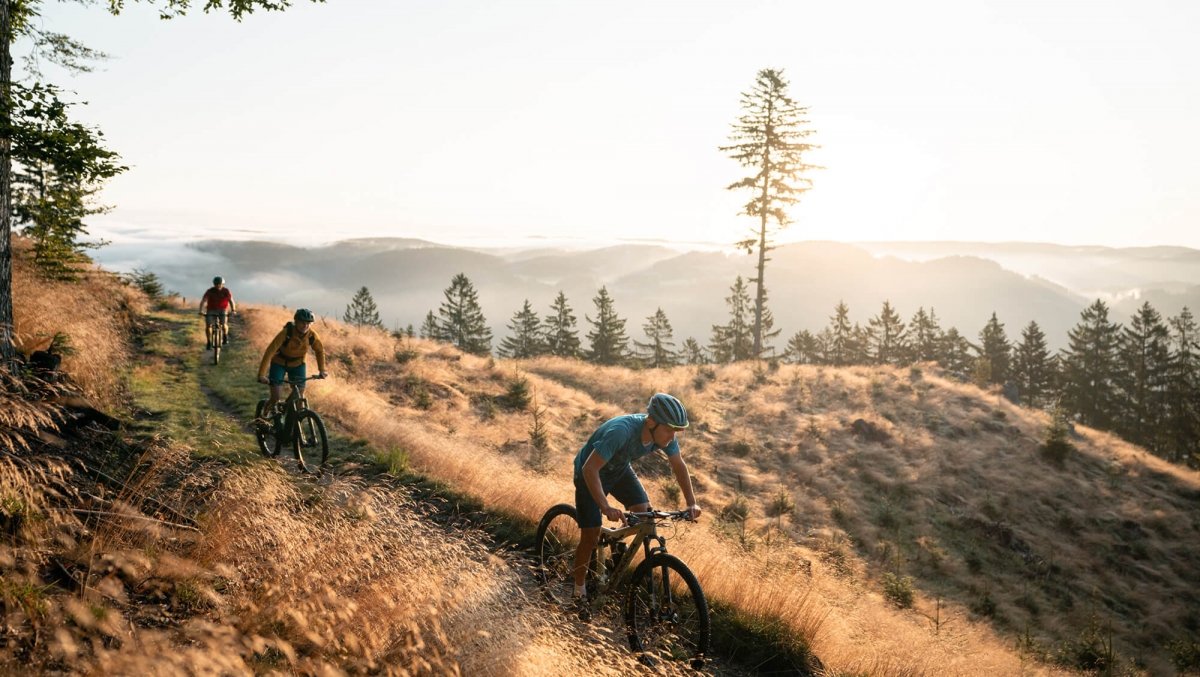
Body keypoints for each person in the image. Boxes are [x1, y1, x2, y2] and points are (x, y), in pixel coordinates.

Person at [571, 393, 701, 604]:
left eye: (676, 431)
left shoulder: (663, 435)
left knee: (644, 514)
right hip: (590, 472)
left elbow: (678, 465)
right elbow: (590, 468)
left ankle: (615, 545)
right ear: (651, 422)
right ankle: (579, 590)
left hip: (619, 470)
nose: (672, 436)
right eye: (669, 430)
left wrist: (691, 502)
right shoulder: (621, 432)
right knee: (590, 535)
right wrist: (605, 506)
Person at [255, 309, 327, 425]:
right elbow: (270, 351)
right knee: (275, 397)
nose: (306, 325)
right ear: (296, 322)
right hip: (279, 363)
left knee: (298, 396)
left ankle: (292, 428)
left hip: (298, 365)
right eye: (303, 322)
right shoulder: (286, 332)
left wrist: (322, 370)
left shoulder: (312, 335)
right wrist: (261, 374)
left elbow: (319, 351)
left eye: (309, 323)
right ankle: (263, 417)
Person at [199, 276, 237, 350]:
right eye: (216, 284)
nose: (218, 286)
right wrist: (201, 310)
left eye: (219, 284)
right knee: (208, 325)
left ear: (222, 284)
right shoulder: (210, 291)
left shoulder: (226, 291)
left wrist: (233, 310)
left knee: (223, 324)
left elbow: (231, 301)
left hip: (222, 310)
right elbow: (204, 301)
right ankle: (209, 342)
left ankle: (225, 336)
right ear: (214, 284)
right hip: (211, 309)